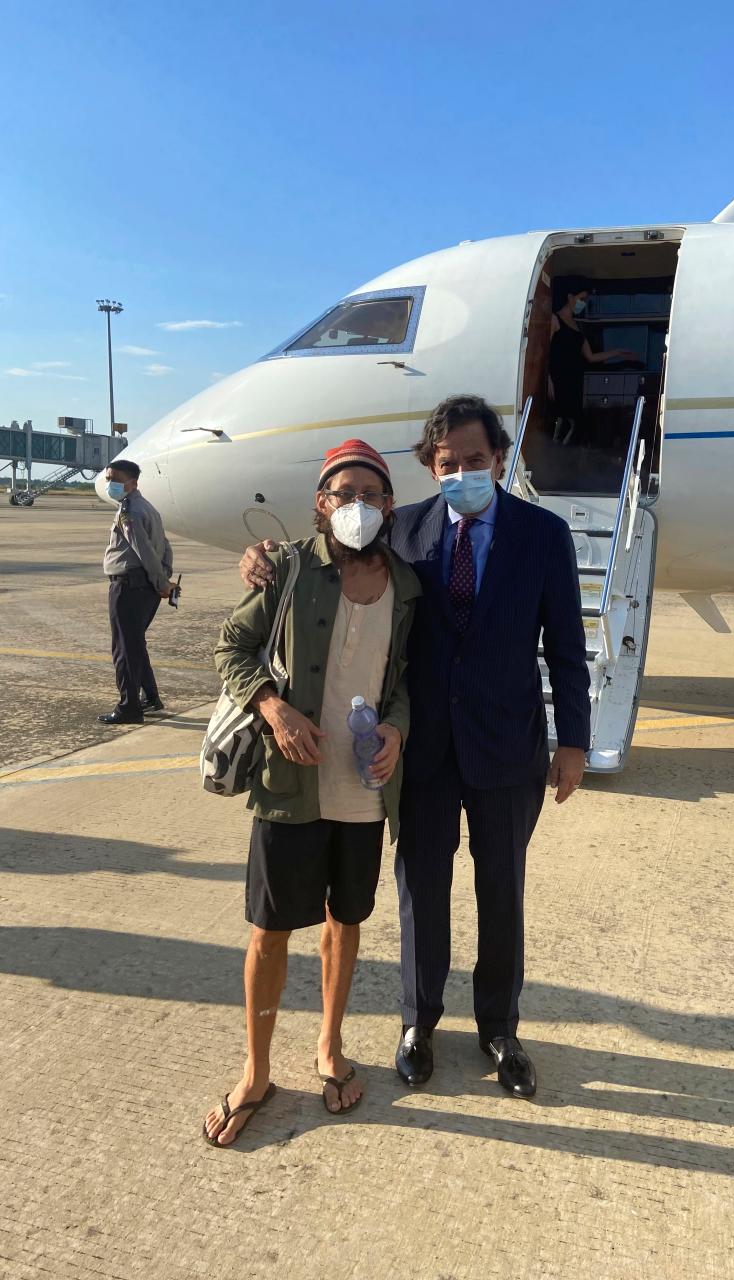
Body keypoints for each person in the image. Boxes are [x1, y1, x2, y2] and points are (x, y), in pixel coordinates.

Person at [240, 396, 590, 1100]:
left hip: (506, 748)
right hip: (421, 750)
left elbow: (567, 648)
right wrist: (262, 558)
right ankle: (418, 1021)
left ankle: (500, 1028)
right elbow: (326, 549)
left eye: (476, 460)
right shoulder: (400, 530)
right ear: (431, 469)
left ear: (500, 459)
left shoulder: (544, 535)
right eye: (448, 462)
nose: (463, 471)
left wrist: (573, 741)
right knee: (420, 891)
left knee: (502, 889)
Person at [203, 440, 420, 1147]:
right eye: (342, 493)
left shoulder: (408, 587)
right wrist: (273, 708)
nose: (356, 506)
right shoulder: (288, 568)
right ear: (320, 504)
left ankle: (329, 1045)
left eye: (370, 493)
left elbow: (410, 682)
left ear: (390, 505)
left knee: (345, 920)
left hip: (362, 790)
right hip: (288, 784)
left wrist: (395, 727)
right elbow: (231, 647)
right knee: (269, 931)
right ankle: (257, 1069)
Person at [98, 459, 177, 725]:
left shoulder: (129, 510)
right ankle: (150, 697)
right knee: (135, 644)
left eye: (115, 480)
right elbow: (165, 548)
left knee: (124, 649)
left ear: (132, 482)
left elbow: (143, 548)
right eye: (109, 479)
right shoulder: (149, 508)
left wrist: (161, 582)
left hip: (129, 586)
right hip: (145, 588)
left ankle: (129, 707)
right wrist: (162, 578)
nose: (111, 484)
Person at [549, 281, 633, 445]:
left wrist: (617, 352)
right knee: (561, 419)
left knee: (574, 421)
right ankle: (555, 451)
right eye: (582, 298)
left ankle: (566, 455)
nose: (583, 303)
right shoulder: (555, 319)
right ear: (570, 297)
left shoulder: (578, 326)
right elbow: (544, 352)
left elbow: (591, 356)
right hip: (558, 378)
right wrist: (548, 378)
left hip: (575, 379)